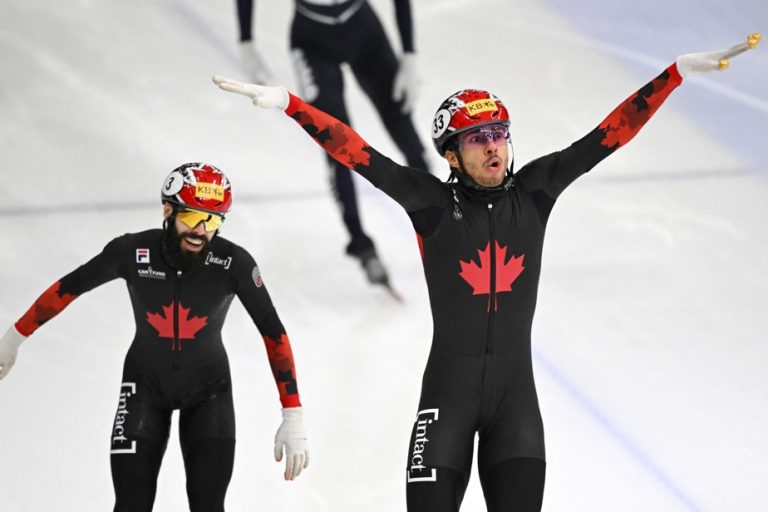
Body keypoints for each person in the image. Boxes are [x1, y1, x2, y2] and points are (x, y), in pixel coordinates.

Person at [212, 34, 760, 511]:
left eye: (499, 133)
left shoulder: (537, 189)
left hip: (515, 407)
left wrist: (674, 75)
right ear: (452, 155)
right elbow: (356, 152)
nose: (494, 146)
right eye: (478, 139)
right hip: (445, 401)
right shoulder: (427, 203)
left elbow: (609, 134)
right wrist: (290, 104)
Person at [0, 163, 310, 511]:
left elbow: (273, 331)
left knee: (209, 505)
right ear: (168, 210)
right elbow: (67, 289)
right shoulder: (131, 252)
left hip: (209, 393)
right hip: (144, 387)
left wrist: (292, 414)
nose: (201, 231)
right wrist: (11, 340)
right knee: (132, 504)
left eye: (213, 220)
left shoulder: (234, 262)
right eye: (192, 217)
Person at [236, 0, 429, 289]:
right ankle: (360, 243)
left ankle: (444, 222)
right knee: (336, 144)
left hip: (363, 30)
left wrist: (410, 53)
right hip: (312, 41)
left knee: (404, 130)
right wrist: (246, 43)